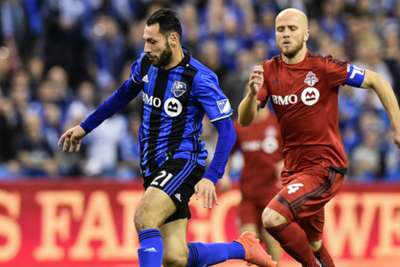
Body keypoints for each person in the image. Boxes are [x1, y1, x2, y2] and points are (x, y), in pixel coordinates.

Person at [58, 9, 276, 267]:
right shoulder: (147, 63)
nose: (146, 47)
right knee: (175, 257)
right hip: (152, 165)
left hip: (182, 162)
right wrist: (85, 126)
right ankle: (241, 248)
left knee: (144, 217)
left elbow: (227, 130)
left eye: (152, 41)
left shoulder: (200, 78)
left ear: (173, 39)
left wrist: (211, 176)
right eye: (144, 41)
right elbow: (123, 94)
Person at [238, 8, 400, 267]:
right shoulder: (268, 71)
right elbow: (245, 119)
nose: (286, 34)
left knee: (272, 219)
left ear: (306, 34)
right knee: (314, 245)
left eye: (292, 29)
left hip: (324, 167)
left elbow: (377, 80)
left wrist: (397, 124)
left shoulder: (324, 68)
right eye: (281, 30)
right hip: (294, 171)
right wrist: (250, 95)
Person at [220, 106, 283, 264]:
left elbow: (292, 152)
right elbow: (226, 152)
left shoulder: (278, 123)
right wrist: (225, 174)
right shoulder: (240, 126)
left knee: (272, 242)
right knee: (249, 244)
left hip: (272, 196)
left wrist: (285, 164)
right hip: (248, 195)